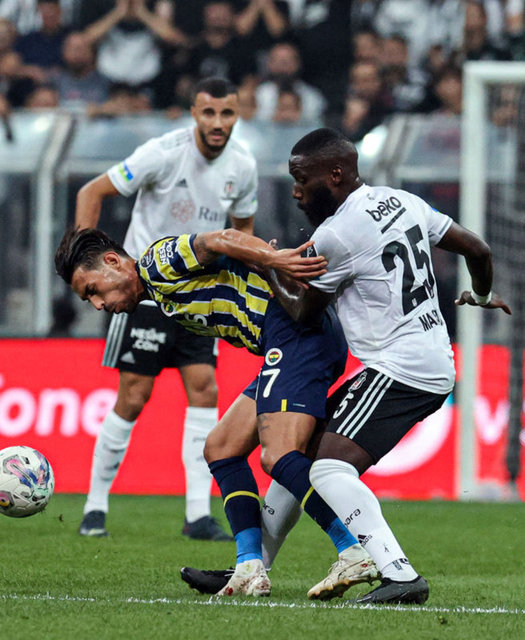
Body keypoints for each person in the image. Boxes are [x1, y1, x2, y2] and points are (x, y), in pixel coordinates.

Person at [184, 126, 511, 604]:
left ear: (335, 175)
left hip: (401, 369)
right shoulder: (403, 201)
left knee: (328, 469)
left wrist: (267, 264)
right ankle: (251, 570)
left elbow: (302, 311)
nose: (296, 191)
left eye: (302, 179)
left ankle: (399, 573)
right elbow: (478, 249)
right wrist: (481, 295)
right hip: (420, 360)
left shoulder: (336, 233)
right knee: (298, 456)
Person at [55, 225, 379, 597]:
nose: (98, 304)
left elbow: (218, 239)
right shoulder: (159, 293)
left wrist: (272, 258)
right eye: (89, 300)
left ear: (113, 261)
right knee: (221, 448)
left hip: (295, 333)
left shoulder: (154, 263)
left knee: (278, 455)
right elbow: (228, 254)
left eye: (93, 290)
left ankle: (353, 549)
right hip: (288, 340)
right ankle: (249, 566)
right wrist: (261, 258)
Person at [74, 77, 257, 541]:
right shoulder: (162, 153)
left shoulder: (243, 165)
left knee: (205, 389)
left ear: (237, 115)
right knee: (134, 396)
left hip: (198, 297)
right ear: (194, 113)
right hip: (143, 294)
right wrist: (83, 263)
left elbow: (243, 234)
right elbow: (91, 192)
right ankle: (95, 507)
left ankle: (197, 514)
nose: (218, 123)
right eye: (209, 112)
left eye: (227, 113)